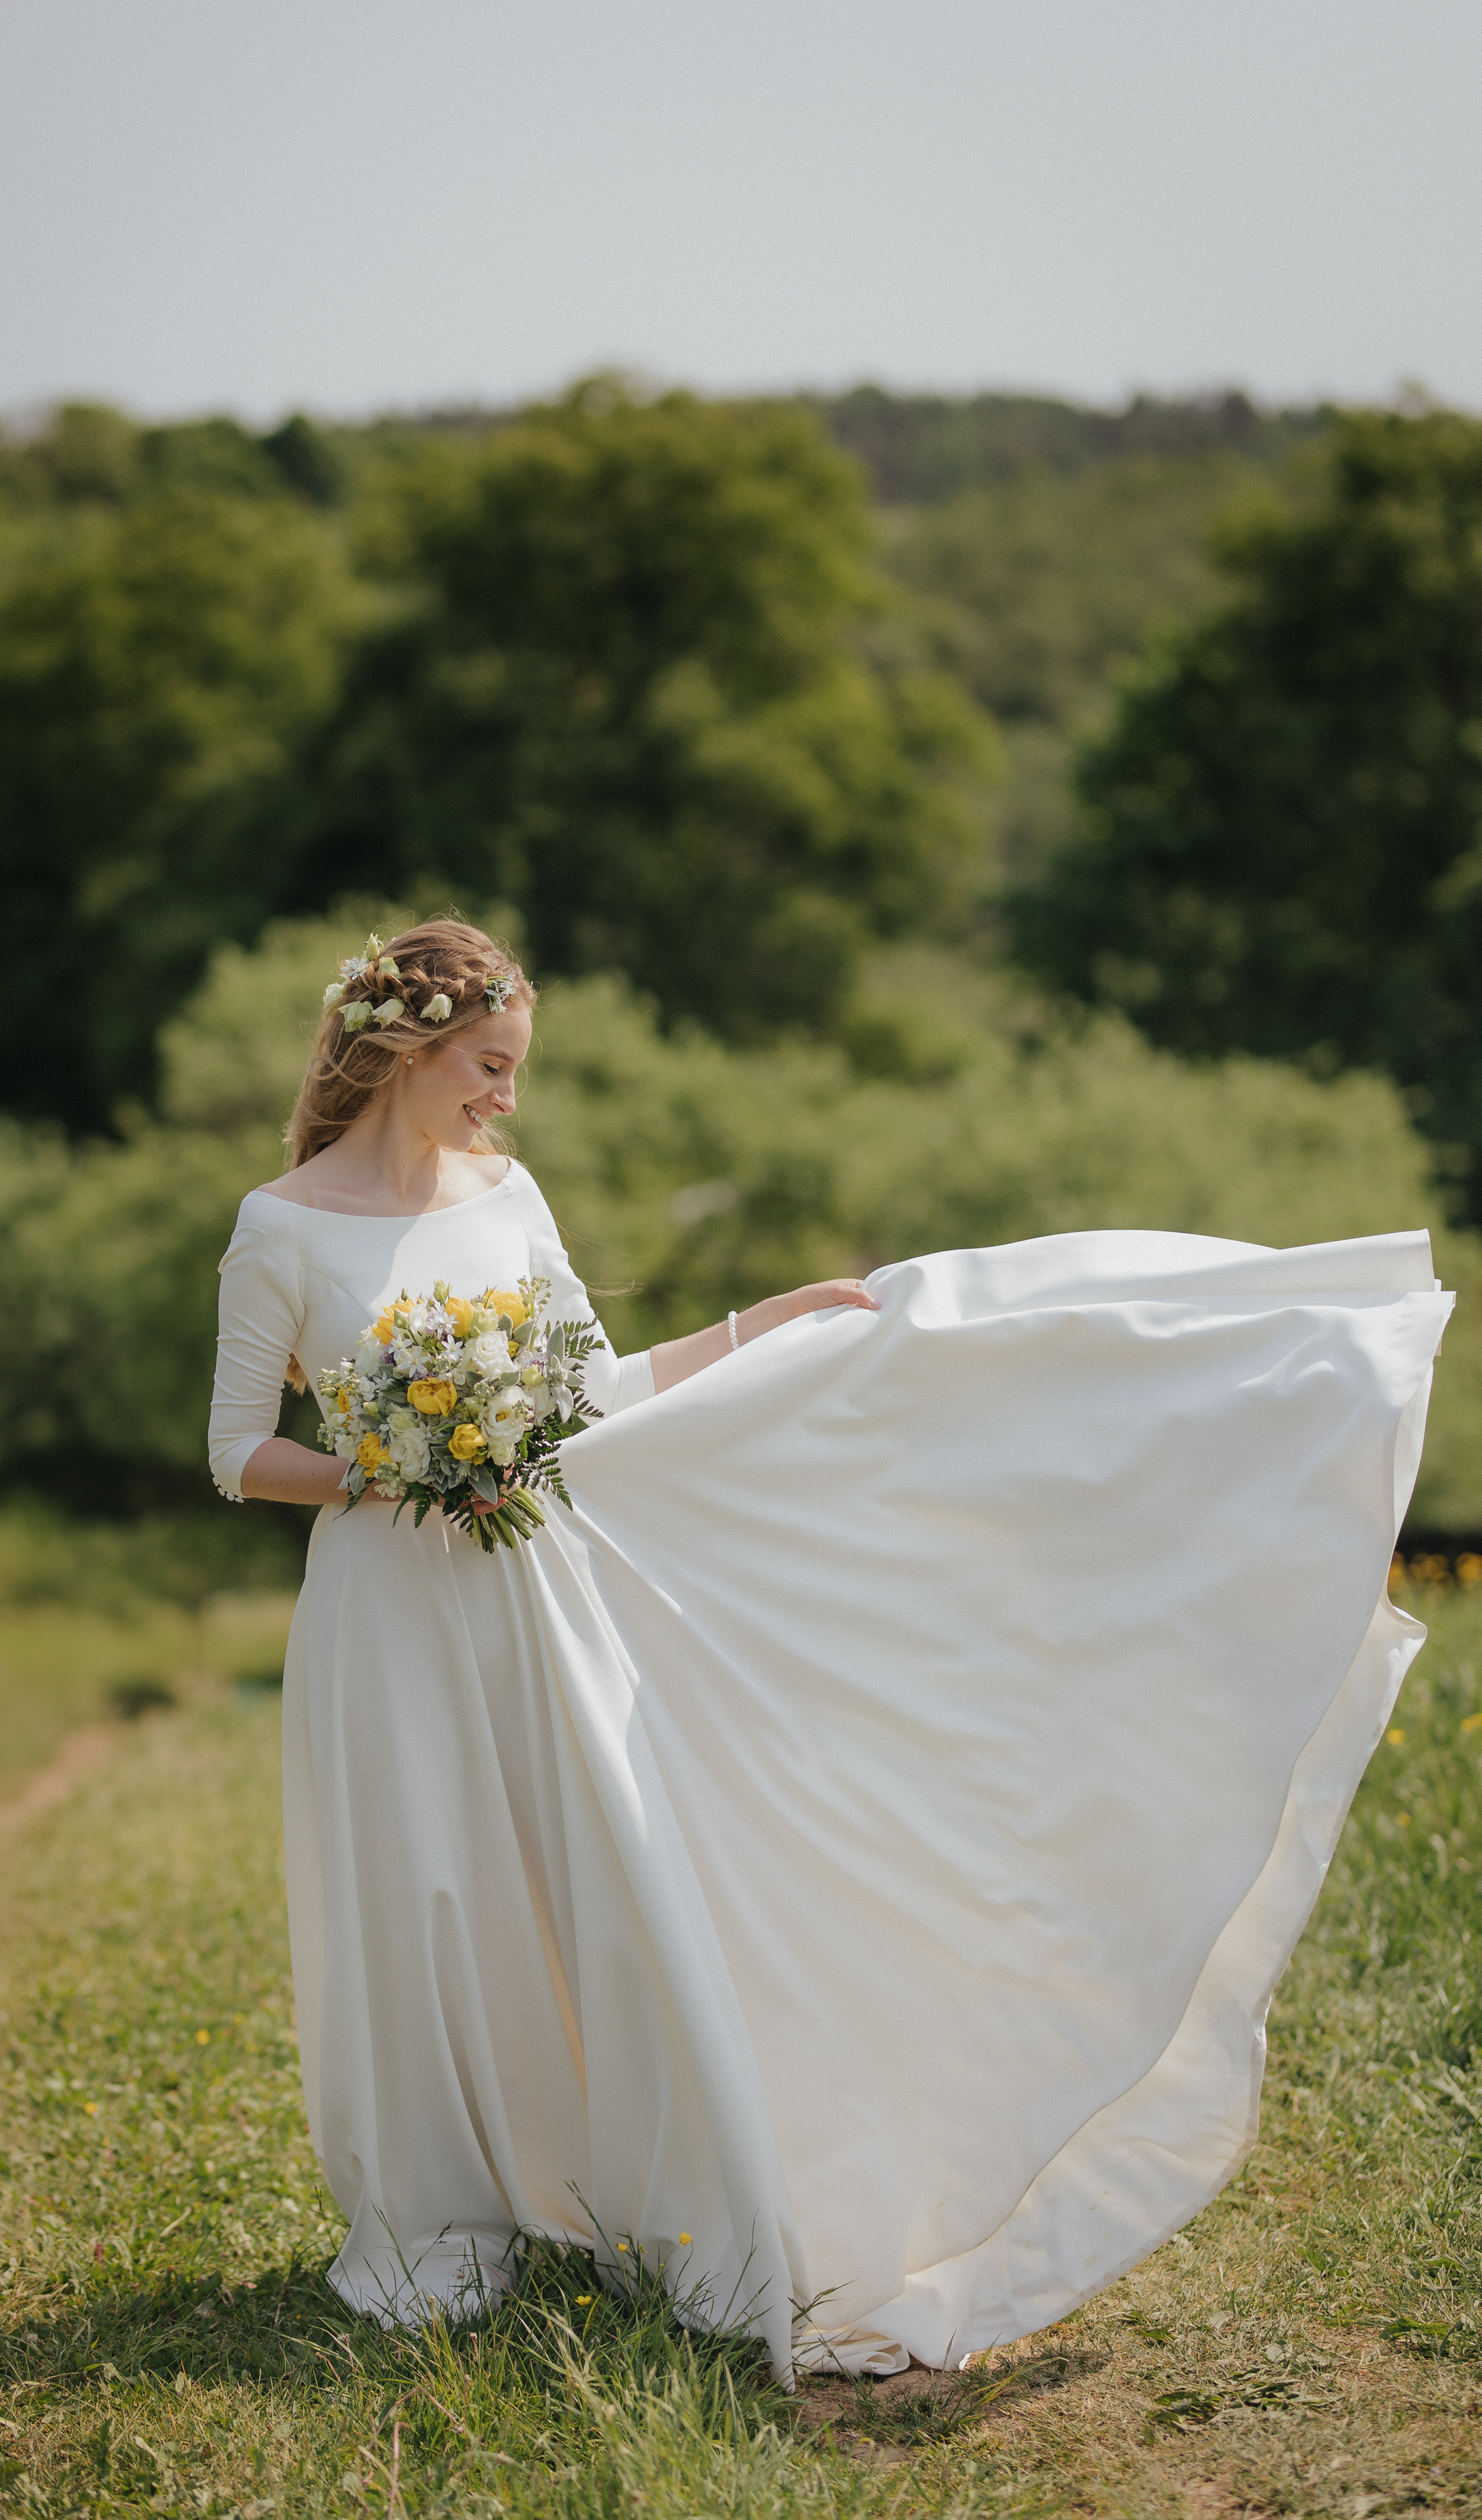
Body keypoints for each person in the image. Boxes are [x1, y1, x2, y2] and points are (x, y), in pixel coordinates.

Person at [209, 916, 1451, 2384]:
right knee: (421, 1887)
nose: (505, 1097)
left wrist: (774, 1323)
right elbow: (238, 1454)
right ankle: (438, 2217)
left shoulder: (510, 1195)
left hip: (528, 1586)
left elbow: (592, 1388)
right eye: (490, 1066)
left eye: (514, 1071)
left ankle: (624, 2196)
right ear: (409, 1050)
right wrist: (390, 1464)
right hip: (386, 1606)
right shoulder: (277, 1227)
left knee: (581, 1876)